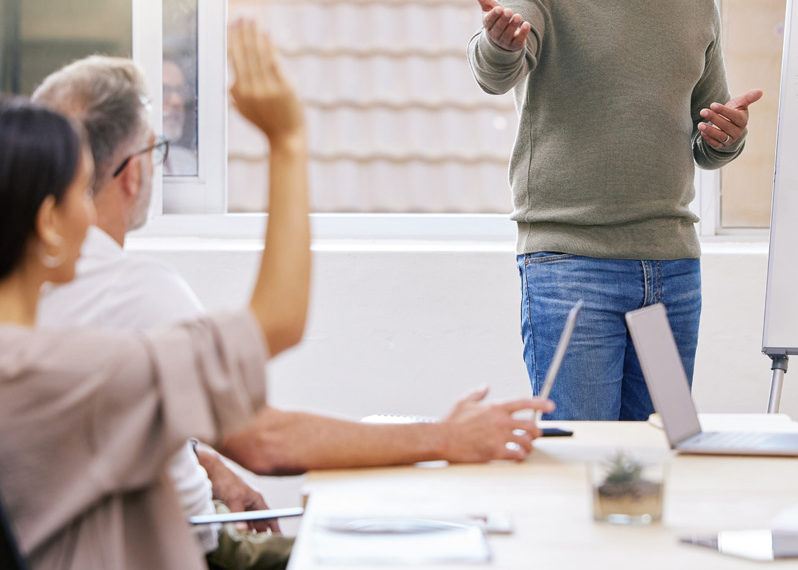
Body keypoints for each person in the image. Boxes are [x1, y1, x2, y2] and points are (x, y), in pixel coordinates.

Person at [32, 49, 552, 565]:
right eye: (157, 149)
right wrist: (446, 437)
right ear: (131, 174)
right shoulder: (130, 290)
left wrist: (203, 461)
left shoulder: (37, 289)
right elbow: (265, 440)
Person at [466, 0, 763, 421]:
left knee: (661, 451)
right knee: (583, 459)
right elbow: (497, 72)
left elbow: (708, 136)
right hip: (571, 268)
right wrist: (499, 44)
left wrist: (727, 137)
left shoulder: (694, 0)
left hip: (672, 272)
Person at [0, 18, 310, 570]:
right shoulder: (61, 372)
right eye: (78, 187)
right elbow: (278, 322)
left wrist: (206, 464)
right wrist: (287, 142)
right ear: (48, 220)